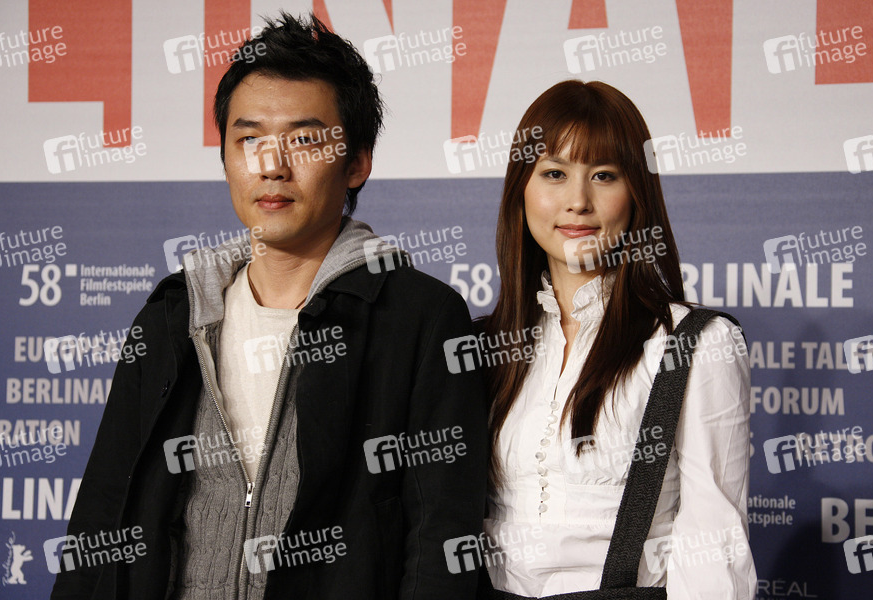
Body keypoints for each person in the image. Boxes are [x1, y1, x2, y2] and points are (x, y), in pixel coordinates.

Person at [51, 13, 487, 600]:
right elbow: (103, 516)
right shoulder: (173, 315)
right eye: (250, 139)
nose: (272, 165)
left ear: (357, 161)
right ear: (226, 156)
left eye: (304, 139)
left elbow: (441, 540)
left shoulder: (419, 318)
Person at [478, 81, 755, 598]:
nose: (577, 202)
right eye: (554, 174)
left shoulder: (694, 343)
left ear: (637, 194)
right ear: (522, 189)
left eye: (603, 175)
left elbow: (713, 543)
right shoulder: (487, 345)